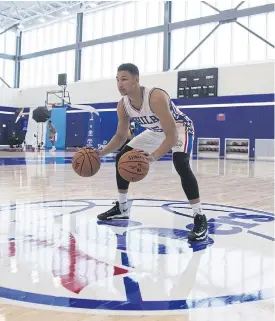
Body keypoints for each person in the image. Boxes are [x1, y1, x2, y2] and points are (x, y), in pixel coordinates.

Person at [96, 63, 207, 242]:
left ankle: (199, 216)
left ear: (136, 80)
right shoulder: (123, 105)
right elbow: (120, 136)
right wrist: (100, 153)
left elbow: (171, 135)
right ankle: (122, 208)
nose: (120, 84)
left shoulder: (155, 97)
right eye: (117, 80)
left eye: (124, 79)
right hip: (156, 131)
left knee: (180, 163)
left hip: (179, 128)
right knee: (122, 155)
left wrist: (154, 156)